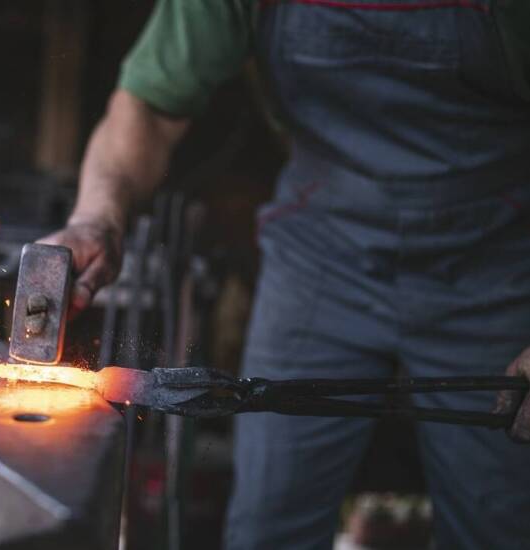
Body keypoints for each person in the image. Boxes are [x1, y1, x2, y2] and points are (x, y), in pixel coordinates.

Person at [40, 1, 530, 548]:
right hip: (320, 257)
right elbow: (149, 107)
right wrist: (95, 217)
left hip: (499, 261)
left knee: (498, 524)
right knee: (269, 526)